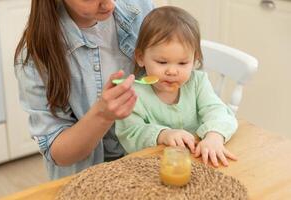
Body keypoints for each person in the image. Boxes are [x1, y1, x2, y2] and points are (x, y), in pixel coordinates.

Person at [14, 0, 154, 180]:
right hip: (87, 178)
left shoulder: (140, 7)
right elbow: (58, 151)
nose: (110, 5)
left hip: (145, 164)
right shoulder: (35, 57)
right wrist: (102, 115)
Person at [116, 6, 238, 167]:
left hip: (196, 162)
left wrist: (214, 136)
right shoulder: (133, 93)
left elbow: (218, 111)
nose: (172, 71)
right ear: (140, 57)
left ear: (195, 59)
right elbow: (130, 133)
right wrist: (163, 134)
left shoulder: (197, 82)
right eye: (162, 62)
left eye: (182, 63)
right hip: (149, 168)